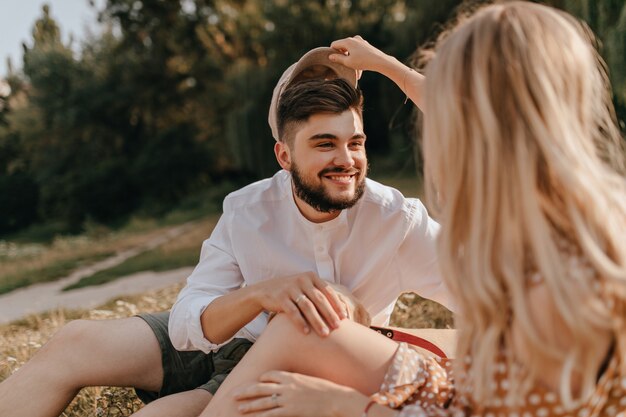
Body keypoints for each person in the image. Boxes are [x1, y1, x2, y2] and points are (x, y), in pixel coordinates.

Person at [199, 2, 626, 416]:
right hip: (460, 386)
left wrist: (345, 406)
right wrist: (383, 62)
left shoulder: (556, 282)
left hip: (454, 400)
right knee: (293, 331)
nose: (429, 129)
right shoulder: (565, 212)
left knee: (295, 337)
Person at [0, 48, 453, 417]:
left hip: (296, 359)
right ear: (284, 156)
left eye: (354, 143)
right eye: (324, 144)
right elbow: (186, 321)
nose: (346, 160)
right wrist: (261, 294)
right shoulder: (246, 209)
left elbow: (492, 299)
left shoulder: (398, 219)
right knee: (74, 340)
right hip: (225, 335)